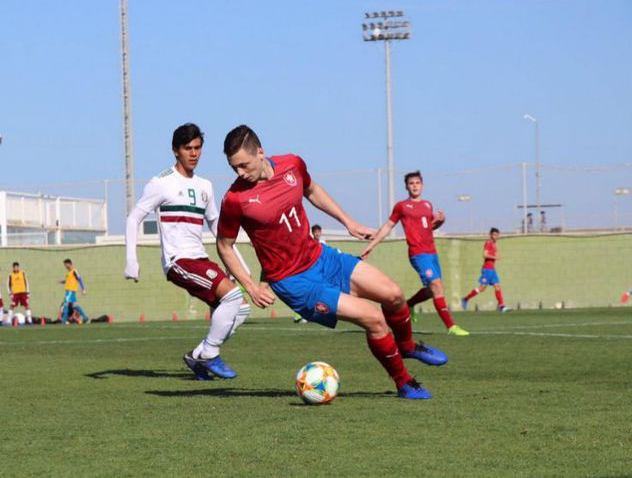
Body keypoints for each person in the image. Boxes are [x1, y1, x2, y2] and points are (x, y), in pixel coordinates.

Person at [216, 125, 447, 400]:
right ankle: (404, 382)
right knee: (374, 318)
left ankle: (407, 346)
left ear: (260, 153)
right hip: (294, 281)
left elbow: (312, 190)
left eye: (243, 165)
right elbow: (224, 245)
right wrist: (251, 286)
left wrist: (348, 222)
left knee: (394, 294)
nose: (240, 173)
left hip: (321, 257)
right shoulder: (235, 199)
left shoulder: (292, 164)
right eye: (234, 167)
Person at [125, 123, 251, 380]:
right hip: (179, 261)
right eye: (187, 148)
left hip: (200, 259)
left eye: (197, 148)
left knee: (240, 309)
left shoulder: (205, 186)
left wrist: (237, 259)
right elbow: (133, 218)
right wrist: (131, 260)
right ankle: (210, 353)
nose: (193, 153)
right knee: (232, 296)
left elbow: (216, 225)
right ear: (175, 150)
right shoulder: (161, 183)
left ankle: (198, 355)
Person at [361, 171, 470, 336]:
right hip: (418, 253)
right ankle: (451, 327)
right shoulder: (402, 206)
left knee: (433, 290)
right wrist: (372, 245)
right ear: (406, 187)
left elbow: (428, 227)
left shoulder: (427, 205)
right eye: (411, 183)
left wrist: (440, 222)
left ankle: (409, 304)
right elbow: (388, 226)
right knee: (436, 286)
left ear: (422, 185)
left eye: (417, 183)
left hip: (432, 252)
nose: (415, 186)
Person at [461, 228, 507, 312]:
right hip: (487, 269)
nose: (496, 236)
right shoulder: (488, 243)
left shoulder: (494, 244)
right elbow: (484, 255)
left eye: (497, 235)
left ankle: (501, 306)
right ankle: (465, 299)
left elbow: (496, 255)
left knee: (497, 286)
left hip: (492, 270)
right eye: (494, 234)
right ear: (491, 235)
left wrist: (497, 256)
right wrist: (495, 257)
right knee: (482, 288)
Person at [59, 259, 89, 324]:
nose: (65, 266)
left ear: (69, 264)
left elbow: (80, 279)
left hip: (70, 291)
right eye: (64, 265)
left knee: (65, 304)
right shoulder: (68, 273)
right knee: (75, 305)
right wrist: (62, 281)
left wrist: (83, 289)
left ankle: (64, 321)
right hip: (68, 291)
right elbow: (68, 281)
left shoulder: (74, 271)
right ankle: (85, 317)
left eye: (66, 265)